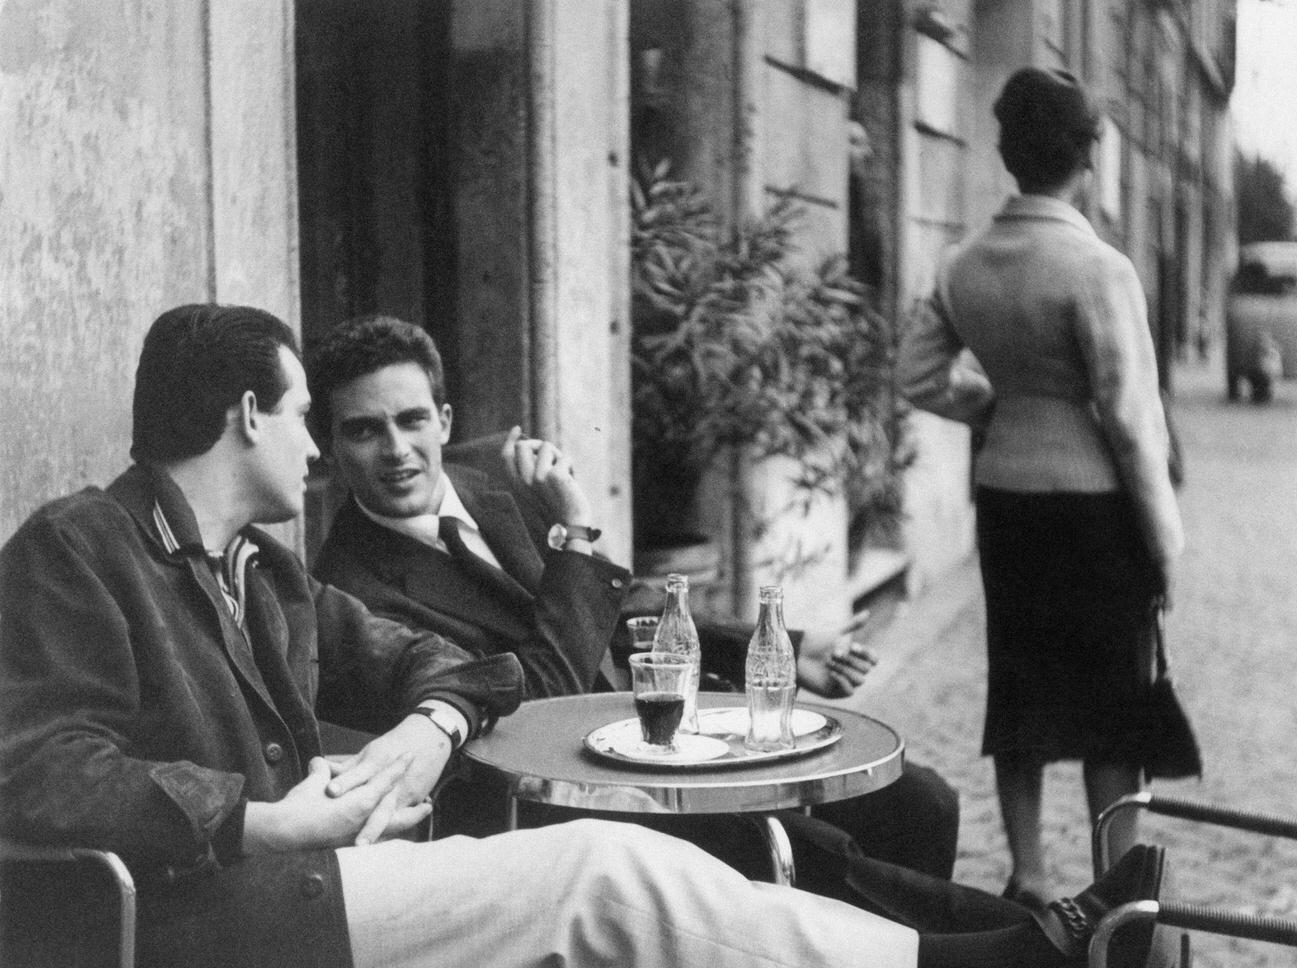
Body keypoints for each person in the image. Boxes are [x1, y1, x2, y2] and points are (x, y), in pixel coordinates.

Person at [0, 302, 1166, 968]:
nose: (317, 447)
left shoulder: (260, 572)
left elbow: (451, 667)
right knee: (600, 872)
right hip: (201, 937)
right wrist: (261, 821)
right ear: (248, 415)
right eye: (312, 415)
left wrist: (428, 727)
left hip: (301, 911)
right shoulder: (78, 547)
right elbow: (34, 768)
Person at [305, 314, 959, 879]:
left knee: (923, 802)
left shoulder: (494, 475)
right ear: (331, 449)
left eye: (412, 419)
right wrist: (576, 534)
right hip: (573, 808)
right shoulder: (350, 590)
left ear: (444, 421)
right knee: (826, 856)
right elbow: (540, 702)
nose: (397, 450)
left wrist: (791, 644)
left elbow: (626, 609)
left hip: (659, 737)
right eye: (363, 430)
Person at [896, 68, 1185, 909]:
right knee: (1114, 701)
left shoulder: (964, 264)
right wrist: (1165, 541)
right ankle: (1115, 886)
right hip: (1096, 507)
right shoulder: (1099, 269)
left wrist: (997, 405)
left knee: (1019, 683)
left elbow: (917, 375)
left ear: (1008, 154)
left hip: (1007, 498)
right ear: (1088, 157)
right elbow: (1130, 418)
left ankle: (1026, 873)